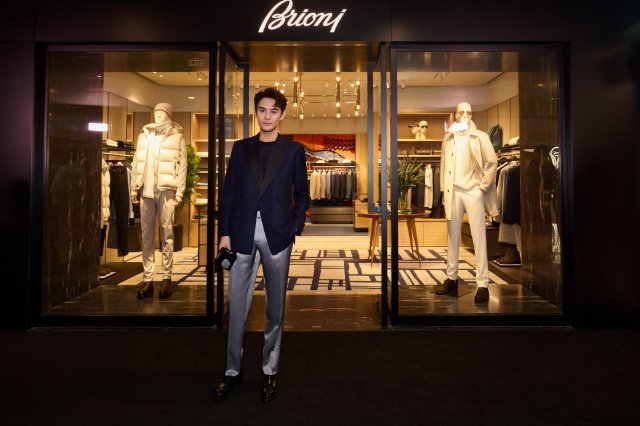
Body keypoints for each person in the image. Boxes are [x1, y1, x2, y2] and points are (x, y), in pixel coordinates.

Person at [215, 88, 310, 403]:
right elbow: (229, 192)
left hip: (277, 236)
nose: (267, 116)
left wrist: (293, 227)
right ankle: (232, 371)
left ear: (282, 114)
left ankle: (270, 370)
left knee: (275, 308)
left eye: (273, 111)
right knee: (236, 306)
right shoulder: (241, 148)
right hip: (240, 234)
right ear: (255, 112)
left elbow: (303, 194)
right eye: (262, 110)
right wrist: (224, 233)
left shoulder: (294, 151)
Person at [435, 102, 498, 303]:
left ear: (472, 115)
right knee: (452, 236)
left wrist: (482, 187)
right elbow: (444, 165)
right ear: (455, 114)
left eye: (468, 112)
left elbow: (492, 162)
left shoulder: (481, 136)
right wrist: (444, 190)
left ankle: (483, 284)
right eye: (461, 112)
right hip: (453, 191)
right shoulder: (448, 138)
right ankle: (451, 278)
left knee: (479, 237)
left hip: (473, 191)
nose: (464, 115)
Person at [130, 103, 187, 299]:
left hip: (166, 190)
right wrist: (133, 188)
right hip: (146, 190)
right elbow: (136, 163)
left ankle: (166, 278)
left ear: (169, 115)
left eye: (162, 113)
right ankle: (147, 279)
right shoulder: (144, 135)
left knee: (167, 235)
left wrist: (180, 191)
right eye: (156, 113)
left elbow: (182, 167)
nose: (158, 116)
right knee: (146, 236)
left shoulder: (177, 137)